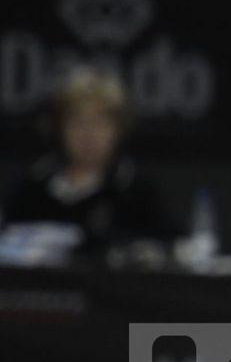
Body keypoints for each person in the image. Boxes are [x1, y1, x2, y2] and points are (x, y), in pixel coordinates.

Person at [2, 67, 175, 261]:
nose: (89, 134)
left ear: (118, 129)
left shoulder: (135, 191)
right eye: (78, 122)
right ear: (59, 129)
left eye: (100, 123)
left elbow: (171, 248)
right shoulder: (32, 188)